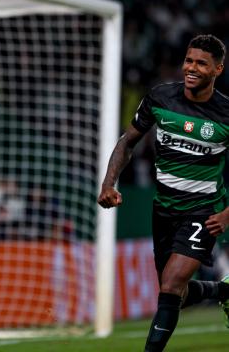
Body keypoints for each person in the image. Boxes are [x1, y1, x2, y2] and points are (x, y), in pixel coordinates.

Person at [97, 34, 229, 352]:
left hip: (204, 210)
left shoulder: (225, 113)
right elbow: (127, 141)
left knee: (170, 285)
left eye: (201, 63)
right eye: (188, 60)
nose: (191, 68)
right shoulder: (161, 97)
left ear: (218, 69)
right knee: (175, 295)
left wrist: (226, 214)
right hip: (164, 209)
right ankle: (223, 292)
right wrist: (108, 183)